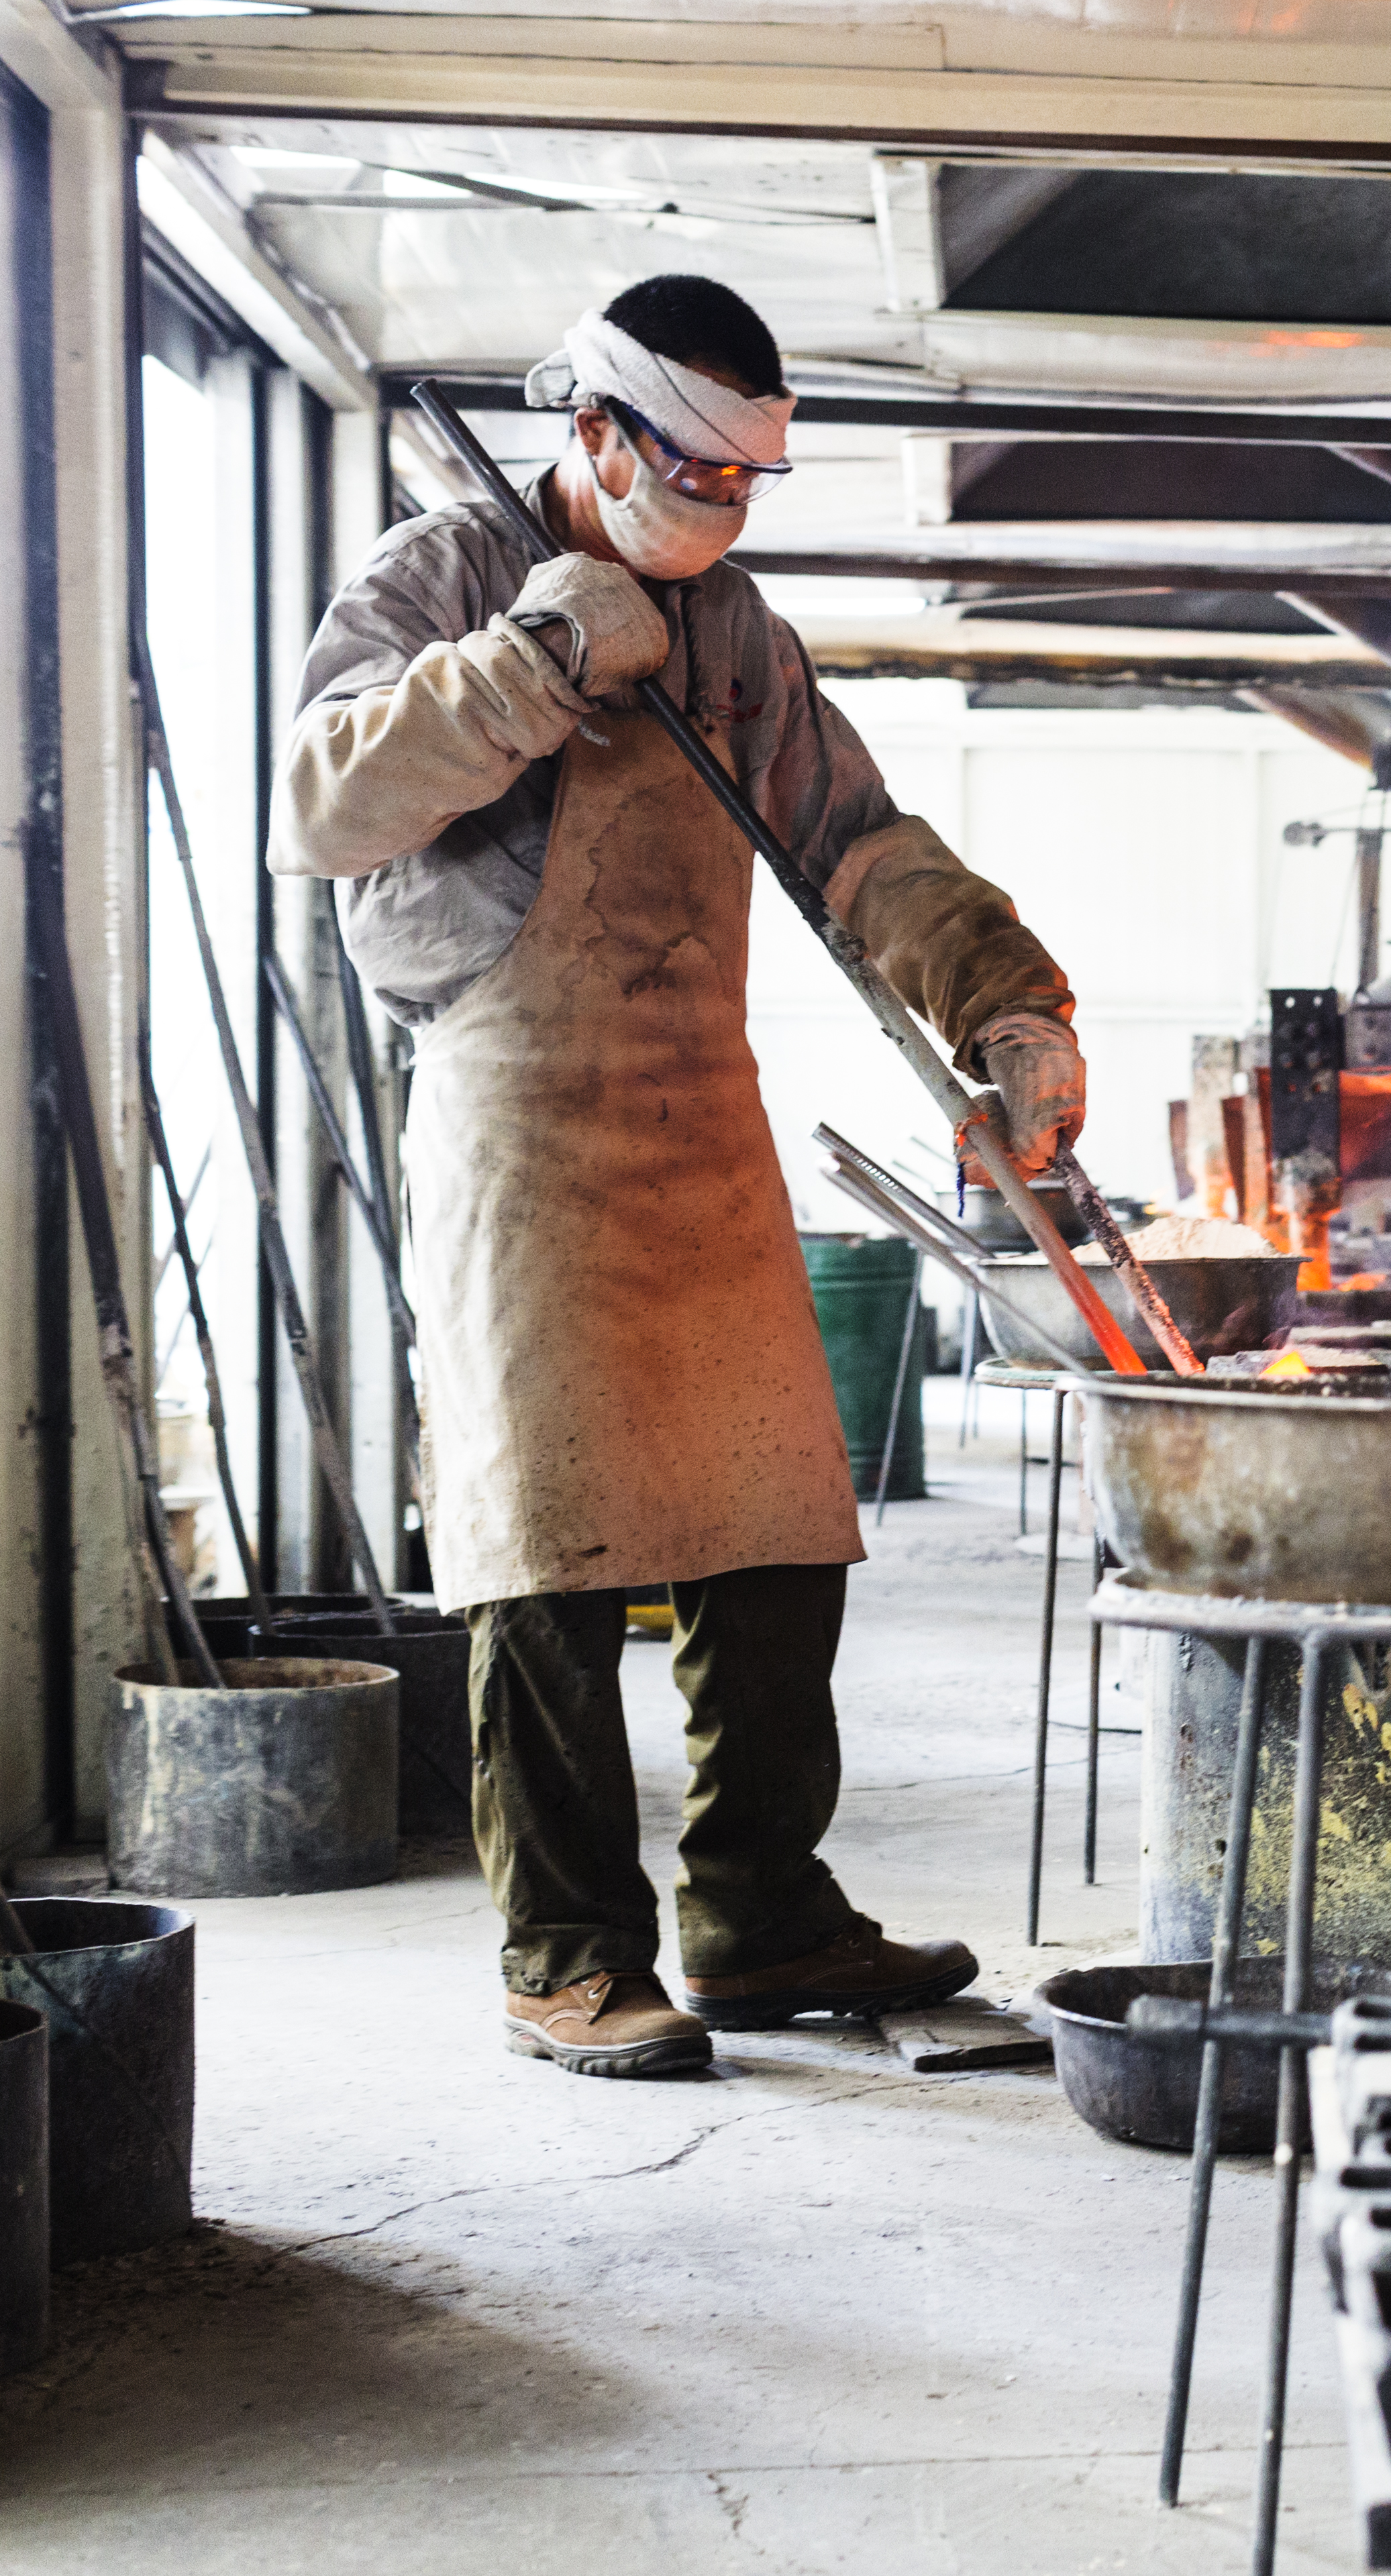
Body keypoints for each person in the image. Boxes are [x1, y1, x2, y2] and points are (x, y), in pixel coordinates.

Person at [270, 276, 1085, 2076]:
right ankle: (568, 1953)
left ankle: (759, 1915)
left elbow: (858, 845)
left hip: (694, 1096)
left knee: (779, 1516)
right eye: (694, 475)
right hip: (510, 1103)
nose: (718, 514)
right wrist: (536, 664)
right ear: (596, 434)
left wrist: (1011, 1009)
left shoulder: (736, 632)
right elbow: (319, 803)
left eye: (747, 487)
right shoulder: (442, 576)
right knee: (547, 1551)